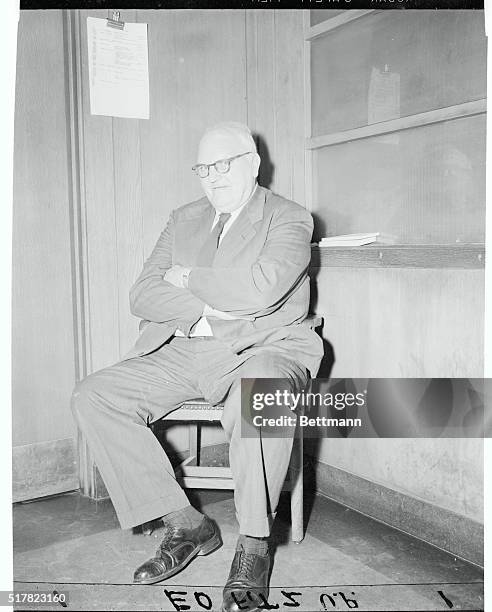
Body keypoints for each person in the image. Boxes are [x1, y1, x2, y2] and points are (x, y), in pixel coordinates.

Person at [71, 121, 323, 612]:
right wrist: (206, 309)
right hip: (188, 348)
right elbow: (141, 294)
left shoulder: (289, 218)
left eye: (224, 164)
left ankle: (253, 547)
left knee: (262, 392)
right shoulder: (183, 217)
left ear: (252, 164)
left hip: (265, 347)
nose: (213, 177)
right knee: (94, 395)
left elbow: (263, 289)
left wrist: (186, 279)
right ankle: (186, 524)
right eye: (203, 168)